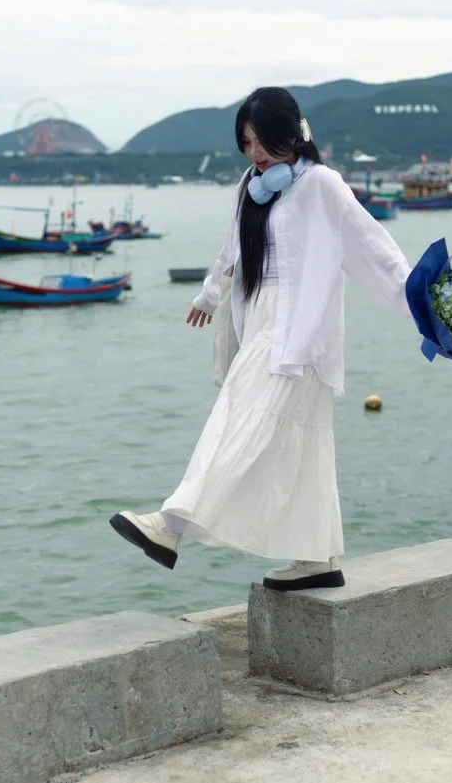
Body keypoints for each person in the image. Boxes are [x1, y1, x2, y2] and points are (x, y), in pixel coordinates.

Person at [110, 86, 413, 591]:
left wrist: (424, 304)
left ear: (292, 133)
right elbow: (232, 254)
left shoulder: (322, 185)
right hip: (263, 324)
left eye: (263, 140)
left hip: (304, 331)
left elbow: (375, 249)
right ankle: (319, 558)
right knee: (301, 445)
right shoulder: (251, 188)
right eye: (247, 142)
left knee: (239, 421)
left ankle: (171, 525)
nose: (256, 152)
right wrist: (208, 297)